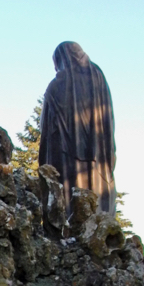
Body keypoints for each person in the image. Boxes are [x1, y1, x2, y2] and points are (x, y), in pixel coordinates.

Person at [39, 41, 116, 217]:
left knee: (68, 204)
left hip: (65, 163)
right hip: (99, 157)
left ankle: (68, 227)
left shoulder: (56, 86)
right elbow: (108, 119)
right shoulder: (98, 77)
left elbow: (46, 133)